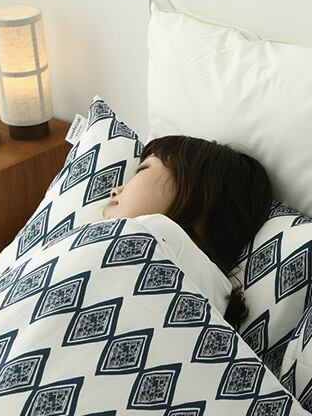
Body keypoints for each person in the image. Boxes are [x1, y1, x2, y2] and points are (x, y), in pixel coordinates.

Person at [101, 135, 272, 327]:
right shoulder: (212, 297)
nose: (115, 190)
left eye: (142, 169)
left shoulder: (156, 233)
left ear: (195, 190)